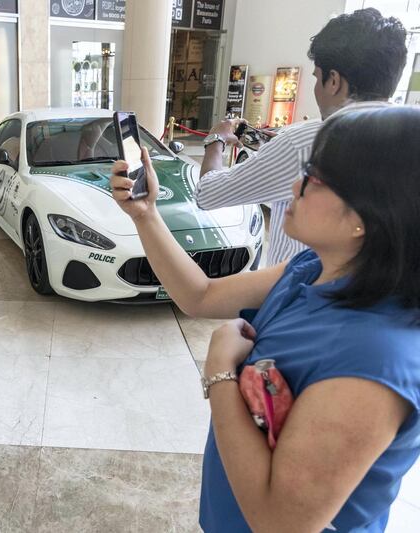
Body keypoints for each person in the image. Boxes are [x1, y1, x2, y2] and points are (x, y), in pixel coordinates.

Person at [110, 106, 420, 532]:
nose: (294, 185)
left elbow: (279, 523)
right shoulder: (313, 268)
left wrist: (220, 371)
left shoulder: (374, 358)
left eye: (312, 179)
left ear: (364, 219)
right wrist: (145, 214)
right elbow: (200, 295)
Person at [195, 8, 407, 266]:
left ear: (333, 80)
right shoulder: (408, 137)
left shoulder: (305, 142)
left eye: (317, 77)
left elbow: (208, 193)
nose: (299, 187)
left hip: (299, 293)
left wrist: (215, 140)